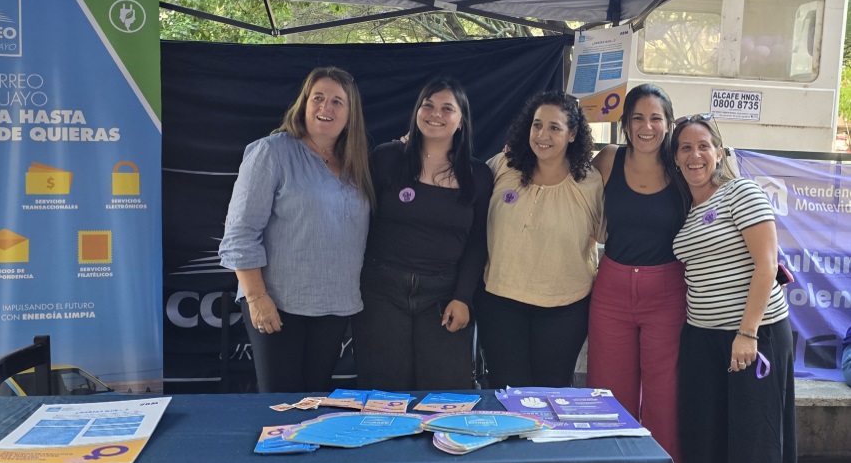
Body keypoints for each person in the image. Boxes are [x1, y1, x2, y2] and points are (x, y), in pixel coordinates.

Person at [218, 67, 374, 393]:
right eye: (317, 98)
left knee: (315, 401)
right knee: (280, 407)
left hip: (333, 307)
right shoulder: (272, 152)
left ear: (351, 113)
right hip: (278, 304)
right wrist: (257, 297)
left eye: (337, 101)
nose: (325, 108)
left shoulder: (356, 164)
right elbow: (240, 233)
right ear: (304, 103)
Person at [672, 114, 797, 463]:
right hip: (701, 338)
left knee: (753, 444)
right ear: (674, 158)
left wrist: (747, 333)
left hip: (751, 337)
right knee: (706, 440)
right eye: (685, 148)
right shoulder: (686, 211)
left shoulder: (741, 191)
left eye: (703, 146)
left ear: (719, 153)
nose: (695, 155)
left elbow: (766, 264)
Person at [352, 78, 492, 391]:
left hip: (443, 298)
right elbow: (358, 223)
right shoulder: (387, 158)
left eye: (447, 108)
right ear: (417, 110)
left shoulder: (479, 175)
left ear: (461, 120)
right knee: (382, 394)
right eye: (427, 105)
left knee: (445, 395)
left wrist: (463, 297)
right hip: (381, 292)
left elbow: (477, 243)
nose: (435, 114)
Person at [586, 84, 689, 463]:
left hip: (667, 289)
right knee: (608, 391)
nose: (647, 126)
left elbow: (719, 196)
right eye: (638, 118)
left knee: (665, 395)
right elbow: (567, 186)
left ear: (669, 123)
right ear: (626, 124)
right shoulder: (609, 159)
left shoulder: (682, 164)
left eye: (656, 118)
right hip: (611, 287)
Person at [474, 91, 603, 388]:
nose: (542, 135)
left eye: (554, 128)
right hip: (500, 303)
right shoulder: (503, 166)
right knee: (506, 391)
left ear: (572, 134)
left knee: (551, 393)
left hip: (564, 309)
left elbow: (611, 232)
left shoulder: (590, 183)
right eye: (537, 125)